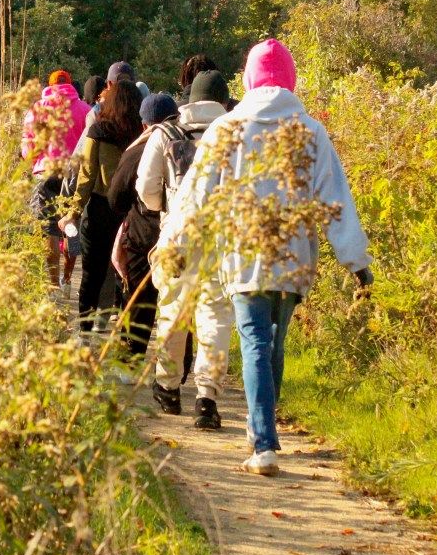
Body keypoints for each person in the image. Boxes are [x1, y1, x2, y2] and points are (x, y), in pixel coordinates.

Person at [157, 39, 374, 476]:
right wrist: (357, 261)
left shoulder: (227, 129)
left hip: (241, 253)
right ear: (290, 78)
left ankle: (263, 443)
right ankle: (264, 430)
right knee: (273, 345)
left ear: (250, 79)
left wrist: (175, 246)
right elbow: (336, 197)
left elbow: (194, 196)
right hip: (294, 256)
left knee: (255, 342)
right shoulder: (311, 130)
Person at [139, 70, 233, 426]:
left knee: (173, 311)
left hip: (177, 236)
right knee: (215, 316)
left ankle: (168, 387)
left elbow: (146, 188)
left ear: (189, 100)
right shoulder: (235, 135)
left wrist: (164, 209)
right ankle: (207, 397)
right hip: (222, 238)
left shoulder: (166, 133)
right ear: (224, 101)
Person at [65, 76, 143, 332]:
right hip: (131, 211)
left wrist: (74, 211)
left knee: (92, 273)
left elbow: (86, 175)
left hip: (99, 208)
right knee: (126, 274)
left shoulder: (98, 130)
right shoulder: (142, 134)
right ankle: (120, 328)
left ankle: (85, 330)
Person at [106, 93, 179, 357]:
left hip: (144, 231)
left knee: (139, 298)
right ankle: (178, 364)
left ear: (145, 124)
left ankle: (131, 357)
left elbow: (116, 198)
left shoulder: (139, 149)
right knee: (180, 301)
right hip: (181, 231)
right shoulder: (190, 143)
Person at [22, 69, 92, 288]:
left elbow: (27, 144)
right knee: (70, 225)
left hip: (45, 173)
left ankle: (53, 284)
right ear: (70, 85)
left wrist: (35, 163)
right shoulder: (85, 110)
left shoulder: (36, 110)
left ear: (49, 86)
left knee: (49, 229)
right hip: (73, 174)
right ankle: (68, 279)